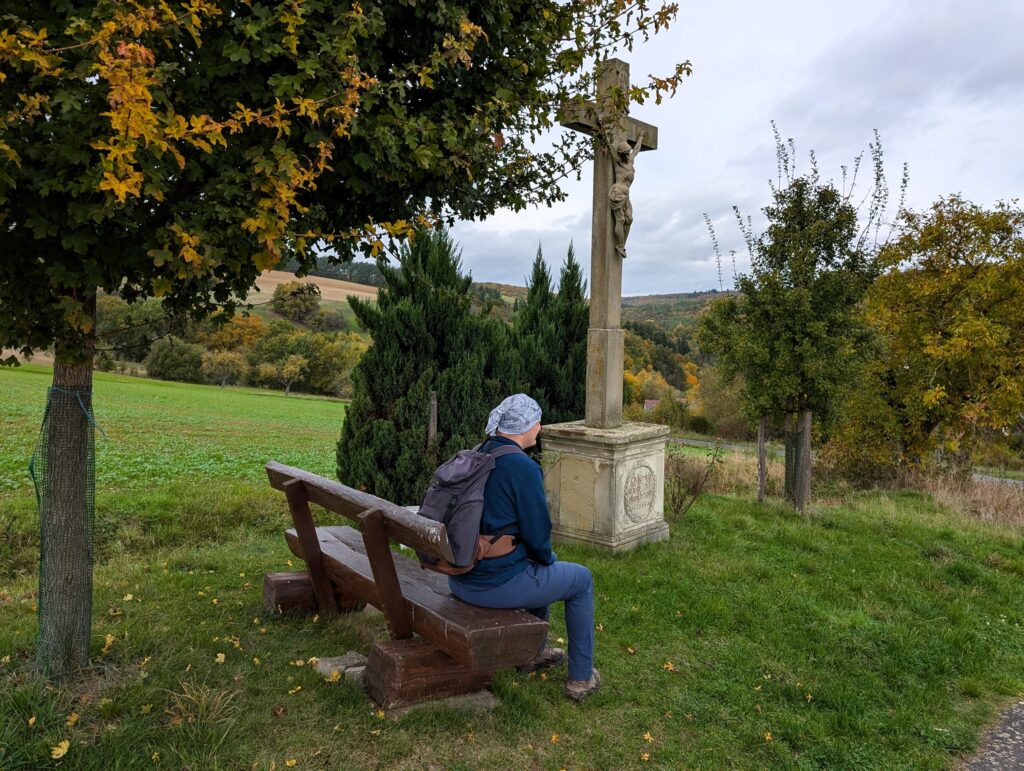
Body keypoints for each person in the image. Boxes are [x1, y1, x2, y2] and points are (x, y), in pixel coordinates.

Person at [447, 393, 600, 701]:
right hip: (494, 585)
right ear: (525, 427)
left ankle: (531, 654)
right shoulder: (523, 468)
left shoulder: (477, 454)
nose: (540, 427)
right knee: (579, 579)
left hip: (461, 577)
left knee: (539, 565)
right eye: (537, 421)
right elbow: (538, 534)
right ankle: (581, 678)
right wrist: (547, 557)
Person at [609, 129, 645, 258]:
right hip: (617, 193)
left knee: (629, 219)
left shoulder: (630, 161)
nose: (627, 155)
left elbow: (636, 150)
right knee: (621, 219)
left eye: (627, 153)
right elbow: (609, 146)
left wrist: (640, 137)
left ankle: (622, 245)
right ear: (620, 154)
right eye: (625, 154)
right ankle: (619, 246)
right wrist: (603, 129)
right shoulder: (617, 162)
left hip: (626, 195)